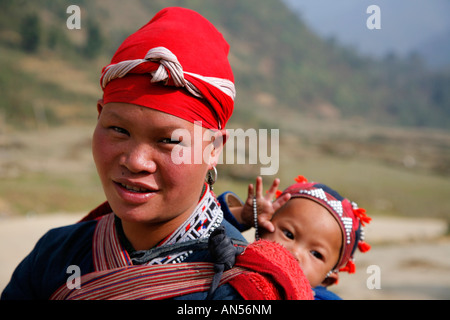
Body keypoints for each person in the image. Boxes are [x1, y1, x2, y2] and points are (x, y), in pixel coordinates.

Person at [2, 7, 313, 300]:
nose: (135, 161)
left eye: (168, 140)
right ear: (98, 116)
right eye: (118, 130)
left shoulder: (238, 285)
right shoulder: (55, 253)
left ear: (213, 148)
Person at [218, 175, 372, 300]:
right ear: (263, 228)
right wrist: (243, 217)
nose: (295, 253)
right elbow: (204, 227)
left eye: (316, 254)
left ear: (326, 279)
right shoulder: (235, 254)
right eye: (289, 234)